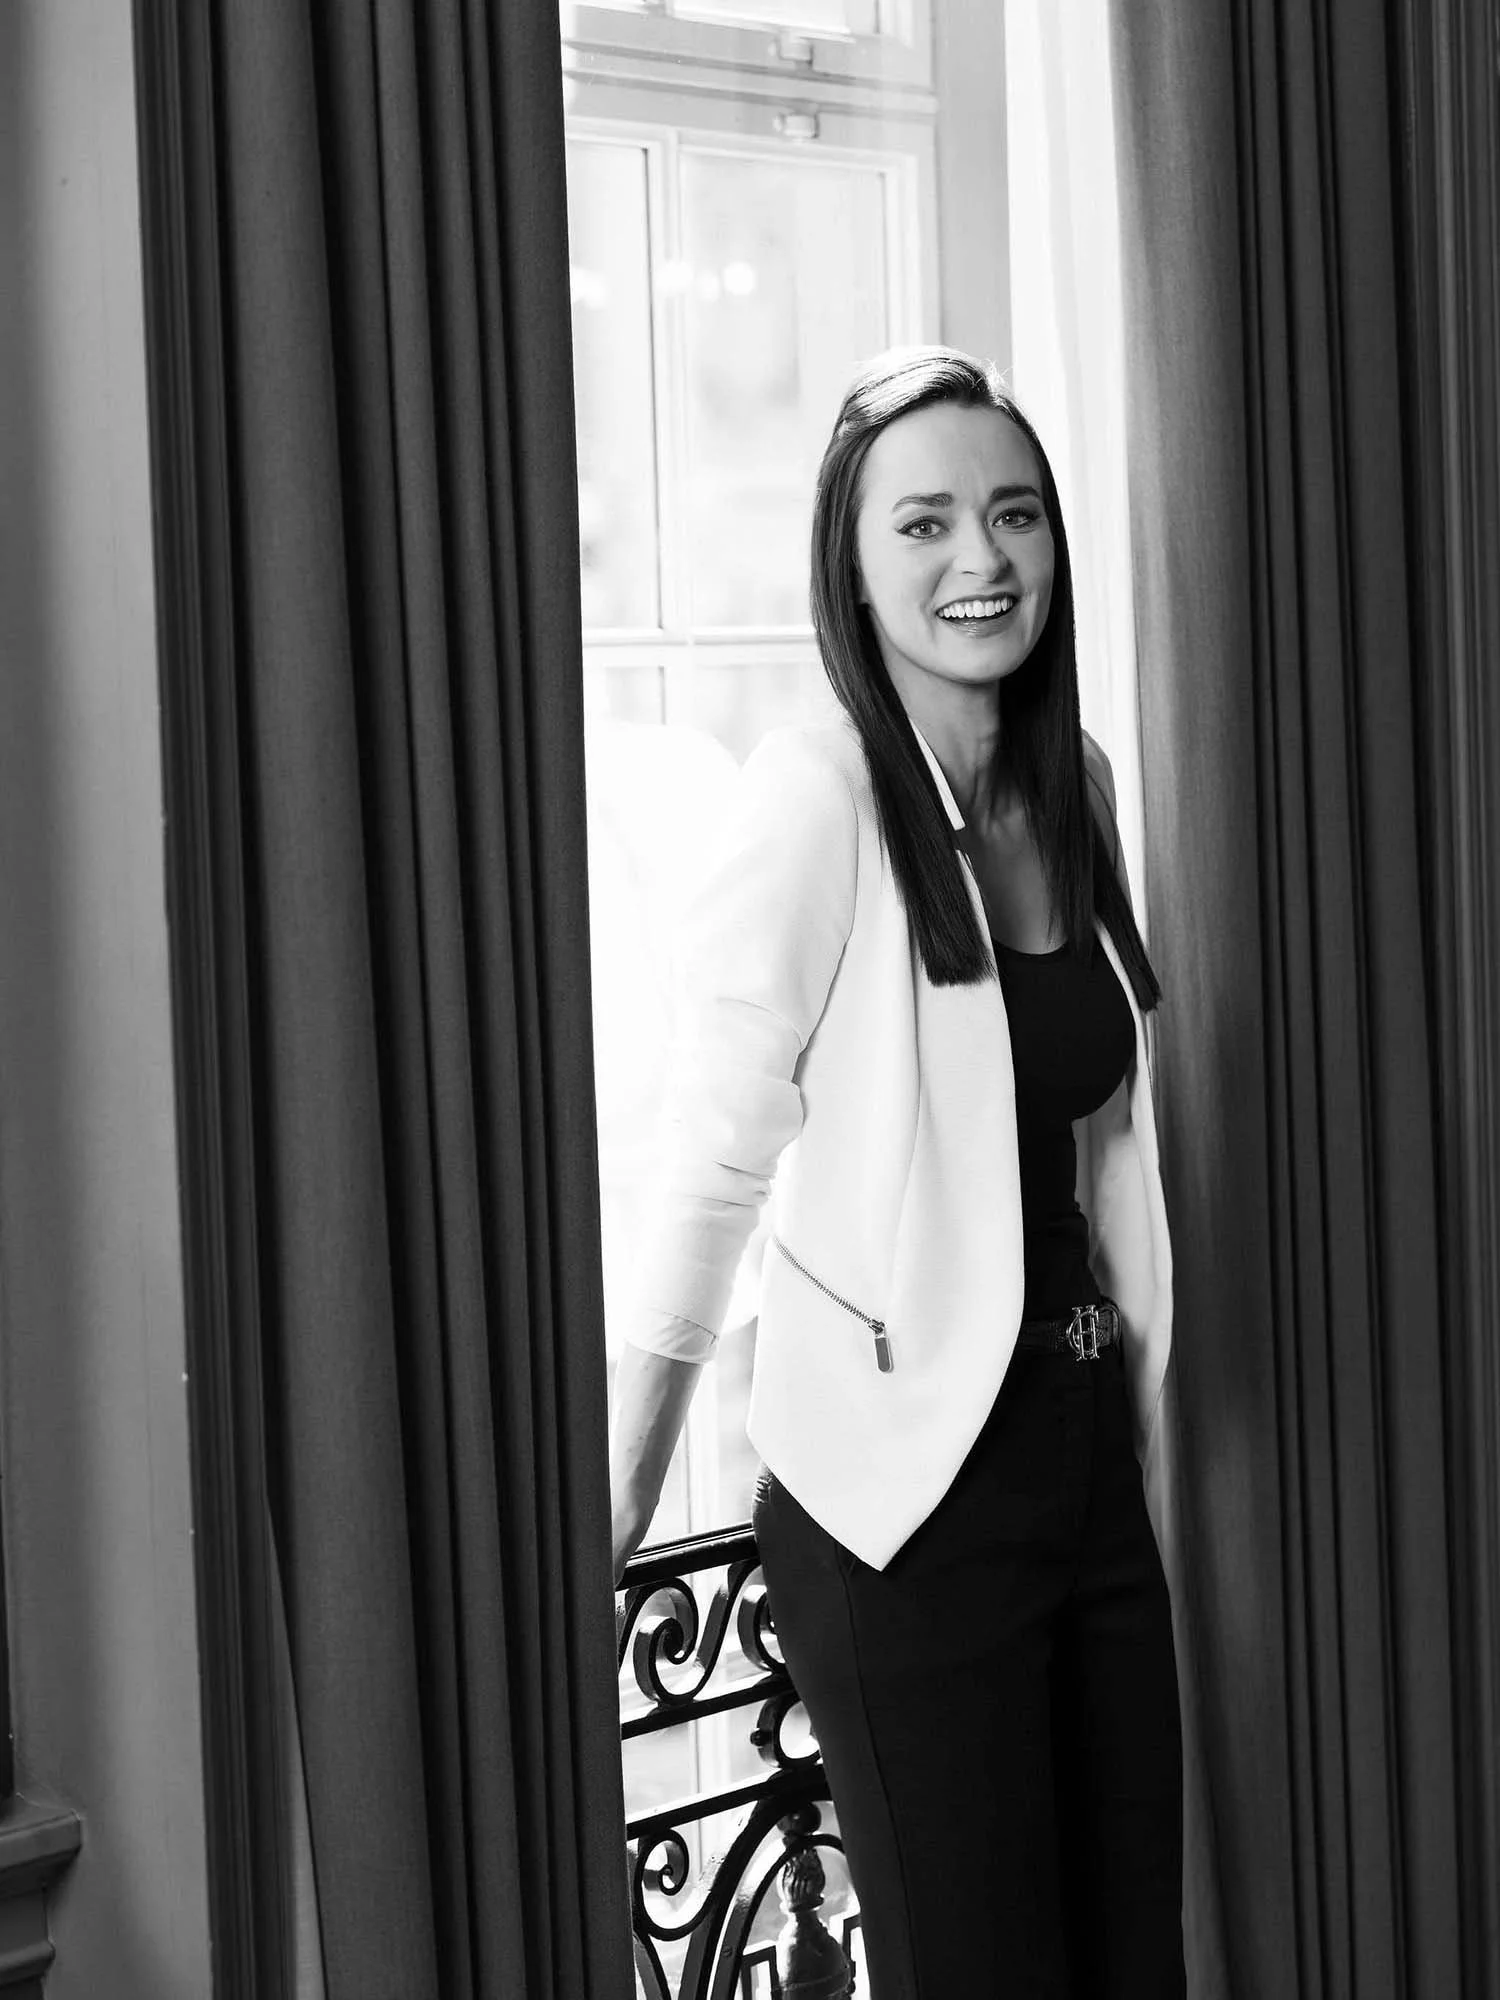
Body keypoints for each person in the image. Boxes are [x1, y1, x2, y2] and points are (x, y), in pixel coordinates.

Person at [609, 345, 1184, 1998]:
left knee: (1133, 1959)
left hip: (1083, 1464)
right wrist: (622, 1485)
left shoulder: (1075, 789)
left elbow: (1110, 1123)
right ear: (853, 572)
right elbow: (714, 1153)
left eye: (1012, 515)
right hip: (899, 1506)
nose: (978, 561)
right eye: (922, 524)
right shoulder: (816, 799)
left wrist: (1134, 1390)